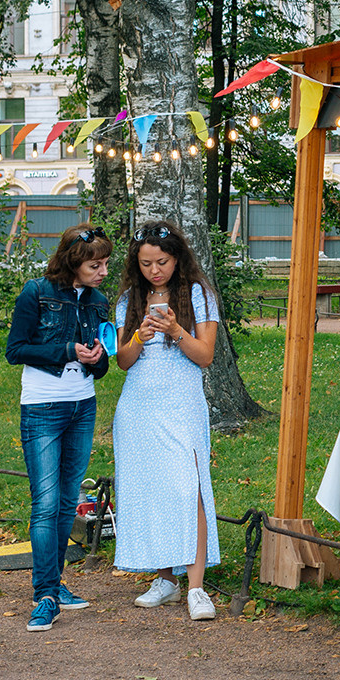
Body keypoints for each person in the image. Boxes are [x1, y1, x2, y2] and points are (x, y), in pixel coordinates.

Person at [110, 222, 223, 623]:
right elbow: (122, 362)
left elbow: (205, 356)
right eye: (145, 264)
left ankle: (196, 586)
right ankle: (165, 579)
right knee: (150, 488)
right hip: (138, 405)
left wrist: (175, 330)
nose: (154, 270)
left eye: (162, 262)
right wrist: (139, 337)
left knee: (187, 487)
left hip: (180, 403)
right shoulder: (130, 299)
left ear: (177, 258)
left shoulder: (198, 295)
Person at [5, 224, 114, 633]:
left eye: (105, 263)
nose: (103, 271)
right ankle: (44, 595)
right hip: (42, 407)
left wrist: (97, 358)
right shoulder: (36, 292)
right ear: (73, 262)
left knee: (68, 503)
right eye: (95, 264)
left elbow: (102, 367)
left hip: (82, 407)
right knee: (45, 504)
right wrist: (68, 350)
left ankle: (56, 586)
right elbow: (15, 350)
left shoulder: (98, 301)